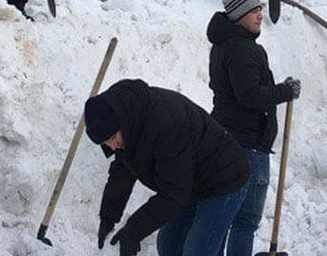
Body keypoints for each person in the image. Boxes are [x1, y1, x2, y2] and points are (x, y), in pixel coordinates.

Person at [85, 79, 249, 256]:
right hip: (191, 180)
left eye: (111, 138)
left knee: (197, 251)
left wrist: (133, 232)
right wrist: (108, 217)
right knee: (169, 245)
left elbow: (174, 194)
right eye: (105, 143)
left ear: (121, 123)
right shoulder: (128, 121)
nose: (112, 146)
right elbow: (123, 169)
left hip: (225, 178)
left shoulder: (165, 124)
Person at [207, 0, 300, 256]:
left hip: (229, 139)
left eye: (259, 8)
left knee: (224, 218)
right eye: (253, 10)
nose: (260, 15)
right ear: (238, 14)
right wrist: (286, 91)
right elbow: (250, 96)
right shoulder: (242, 49)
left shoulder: (224, 44)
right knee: (244, 222)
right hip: (247, 144)